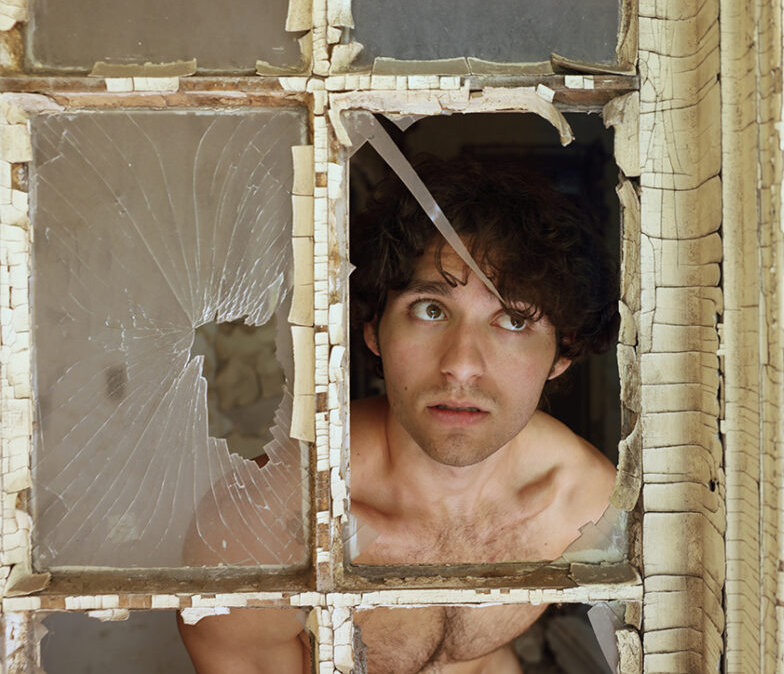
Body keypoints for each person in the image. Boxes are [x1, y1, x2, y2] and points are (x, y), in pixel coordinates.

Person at [179, 156, 620, 673]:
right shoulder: (271, 529)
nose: (461, 365)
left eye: (513, 320)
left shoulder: (582, 505)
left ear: (561, 355)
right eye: (430, 310)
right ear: (372, 330)